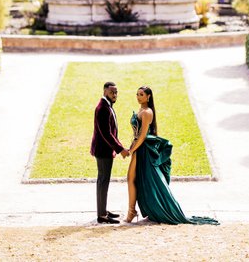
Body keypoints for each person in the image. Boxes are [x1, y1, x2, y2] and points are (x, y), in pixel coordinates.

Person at [125, 86, 219, 225]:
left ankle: (132, 212)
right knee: (132, 178)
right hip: (139, 148)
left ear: (148, 97)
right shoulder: (141, 110)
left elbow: (143, 135)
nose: (138, 97)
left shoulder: (147, 112)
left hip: (144, 150)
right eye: (137, 94)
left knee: (135, 178)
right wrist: (132, 148)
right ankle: (132, 211)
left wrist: (132, 150)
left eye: (141, 94)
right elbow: (138, 134)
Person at [90, 81, 129, 224]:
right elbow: (106, 134)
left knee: (103, 181)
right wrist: (121, 150)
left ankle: (103, 211)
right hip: (103, 150)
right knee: (103, 181)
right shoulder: (102, 108)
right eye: (112, 92)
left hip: (105, 150)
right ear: (105, 91)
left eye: (116, 92)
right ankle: (101, 215)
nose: (115, 95)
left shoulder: (107, 106)